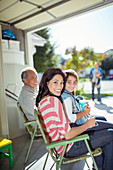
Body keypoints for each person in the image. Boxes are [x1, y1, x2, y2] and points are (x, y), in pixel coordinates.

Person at [36, 67, 113, 170]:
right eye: (55, 82)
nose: (59, 86)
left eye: (61, 82)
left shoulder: (44, 101)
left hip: (62, 146)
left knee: (106, 135)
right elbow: (68, 135)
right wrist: (87, 125)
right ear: (46, 83)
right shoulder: (53, 101)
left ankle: (99, 167)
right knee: (111, 134)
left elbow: (62, 124)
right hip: (68, 147)